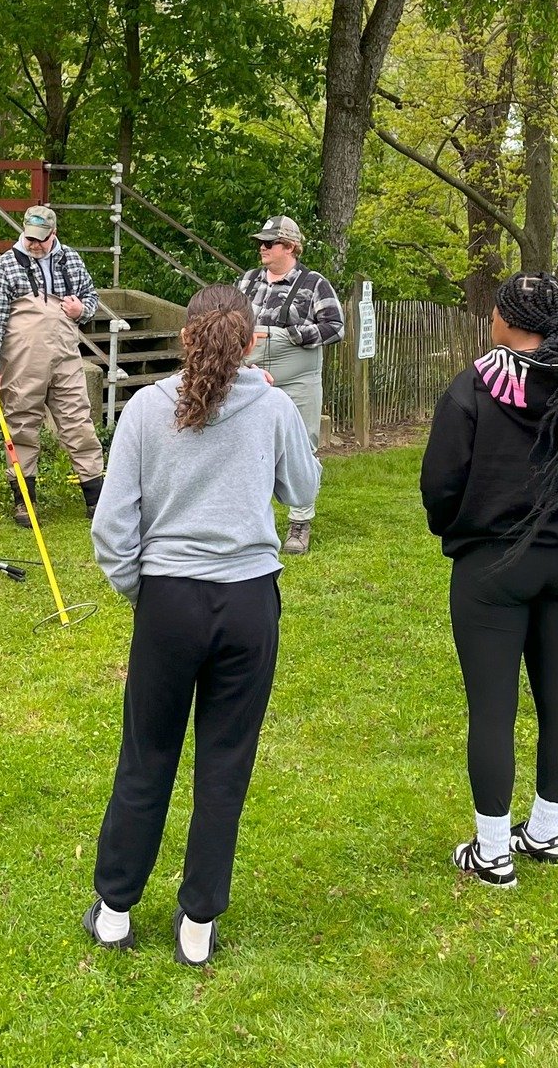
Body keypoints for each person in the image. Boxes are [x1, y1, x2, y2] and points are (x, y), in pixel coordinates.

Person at [84, 284, 318, 963]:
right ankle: (197, 925)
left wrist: (145, 592)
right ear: (251, 343)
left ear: (187, 336)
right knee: (225, 764)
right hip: (247, 603)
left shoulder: (145, 409)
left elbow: (113, 525)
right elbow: (303, 491)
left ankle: (117, 910)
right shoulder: (271, 406)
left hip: (171, 601)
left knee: (146, 754)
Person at [420, 274, 558, 887]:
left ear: (510, 321)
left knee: (493, 707)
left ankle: (492, 851)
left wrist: (460, 529)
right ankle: (546, 831)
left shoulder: (474, 387)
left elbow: (440, 485)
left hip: (493, 563)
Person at [0, 205, 104, 527]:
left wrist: (82, 310)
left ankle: (97, 499)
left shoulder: (70, 260)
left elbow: (91, 296)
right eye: (30, 238)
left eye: (41, 239)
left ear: (54, 235)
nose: (34, 245)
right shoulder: (5, 266)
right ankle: (24, 503)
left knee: (79, 424)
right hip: (21, 364)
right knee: (20, 427)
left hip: (65, 358)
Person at [238, 215, 344, 555]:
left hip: (299, 380)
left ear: (291, 247)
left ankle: (300, 523)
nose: (262, 248)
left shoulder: (314, 284)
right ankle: (253, 518)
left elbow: (336, 327)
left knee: (302, 445)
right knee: (249, 445)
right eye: (261, 242)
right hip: (253, 377)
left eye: (270, 243)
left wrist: (292, 335)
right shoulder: (249, 281)